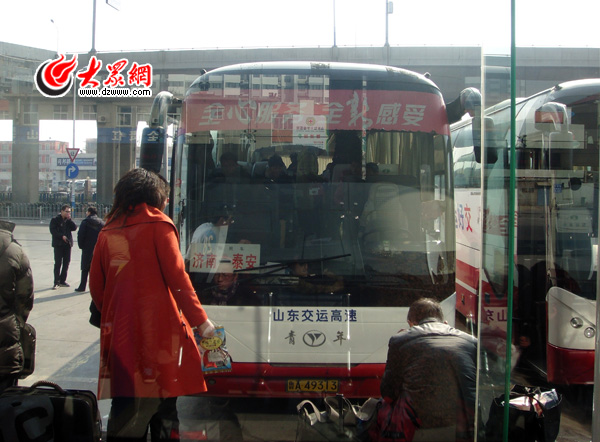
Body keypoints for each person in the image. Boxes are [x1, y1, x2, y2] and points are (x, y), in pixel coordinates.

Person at [89, 168, 215, 442]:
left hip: (120, 338)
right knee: (165, 409)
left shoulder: (108, 231)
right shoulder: (160, 226)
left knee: (124, 407)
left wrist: (119, 312)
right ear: (155, 196)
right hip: (160, 338)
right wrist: (201, 322)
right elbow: (178, 280)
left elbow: (97, 290)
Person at [380, 298, 477, 442]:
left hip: (419, 427)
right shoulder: (470, 341)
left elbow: (388, 393)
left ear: (410, 323)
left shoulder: (400, 340)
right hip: (465, 428)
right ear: (444, 322)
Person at [0, 220, 34, 392]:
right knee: (6, 399)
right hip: (5, 342)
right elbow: (25, 297)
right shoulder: (15, 251)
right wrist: (14, 321)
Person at [75, 206, 105, 292]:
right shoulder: (101, 223)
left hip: (87, 248)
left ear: (89, 212)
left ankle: (82, 286)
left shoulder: (85, 222)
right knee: (96, 268)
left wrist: (81, 246)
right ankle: (96, 287)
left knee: (85, 268)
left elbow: (80, 235)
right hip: (98, 248)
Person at [49, 204, 77, 289]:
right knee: (58, 263)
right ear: (62, 211)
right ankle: (56, 281)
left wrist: (70, 219)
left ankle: (62, 280)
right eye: (66, 211)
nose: (68, 213)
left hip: (67, 245)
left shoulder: (68, 221)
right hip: (58, 245)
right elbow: (53, 231)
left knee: (66, 263)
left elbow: (74, 228)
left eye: (69, 212)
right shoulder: (55, 220)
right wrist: (61, 236)